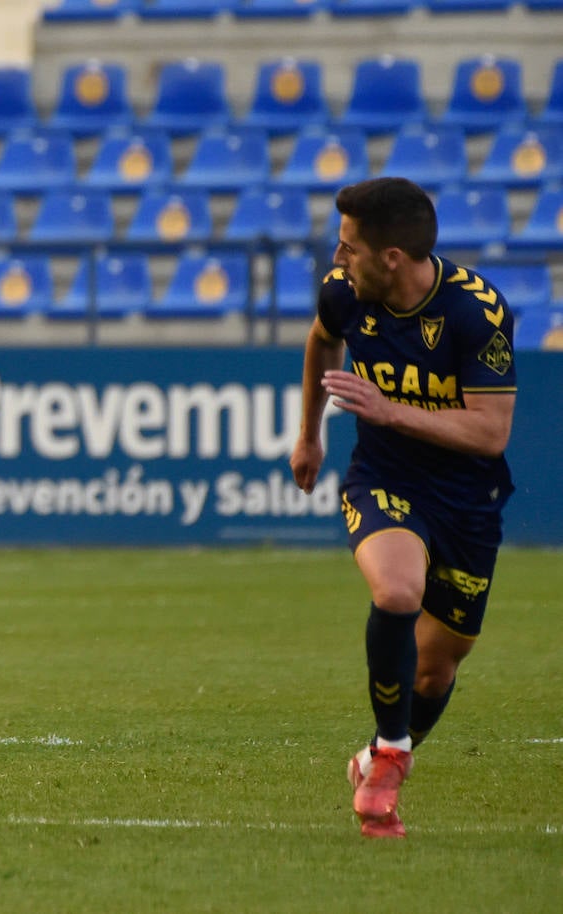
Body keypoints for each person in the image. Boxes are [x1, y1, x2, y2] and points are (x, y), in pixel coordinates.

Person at [290, 177, 517, 839]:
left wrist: (392, 409)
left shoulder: (476, 313)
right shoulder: (343, 295)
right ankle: (392, 752)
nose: (338, 260)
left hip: (468, 499)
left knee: (439, 664)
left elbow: (490, 431)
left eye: (348, 246)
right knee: (396, 592)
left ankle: (382, 753)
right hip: (384, 477)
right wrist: (309, 434)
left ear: (390, 257)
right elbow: (321, 342)